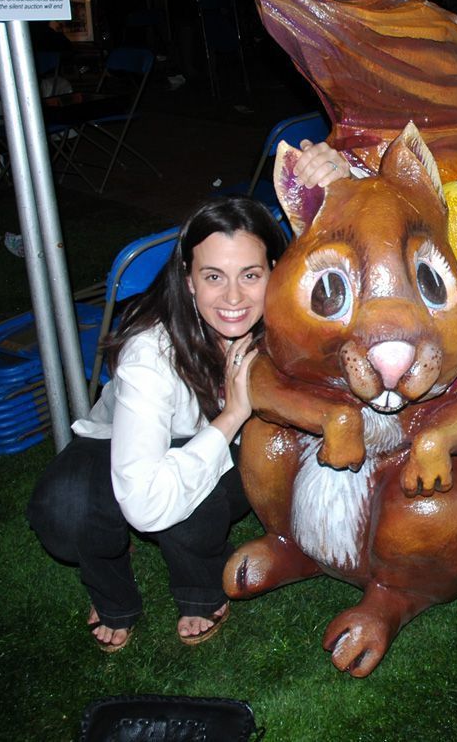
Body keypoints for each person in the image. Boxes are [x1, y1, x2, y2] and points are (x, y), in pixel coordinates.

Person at [27, 148, 345, 653]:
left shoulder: (291, 319)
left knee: (192, 509)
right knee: (67, 511)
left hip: (237, 446)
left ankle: (199, 587)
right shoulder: (149, 353)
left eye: (251, 274)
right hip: (123, 439)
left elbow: (355, 250)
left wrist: (340, 175)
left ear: (277, 271)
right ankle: (111, 590)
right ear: (188, 278)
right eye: (214, 276)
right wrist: (232, 414)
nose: (234, 298)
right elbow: (149, 504)